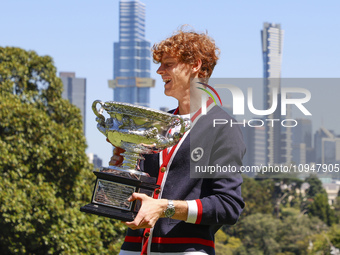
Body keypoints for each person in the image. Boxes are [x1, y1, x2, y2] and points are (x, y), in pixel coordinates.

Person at [110, 28, 246, 255]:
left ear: (195, 65)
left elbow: (228, 206)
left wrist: (166, 208)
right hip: (132, 249)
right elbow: (139, 196)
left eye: (168, 63)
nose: (159, 70)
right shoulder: (156, 125)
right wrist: (123, 169)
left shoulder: (222, 126)